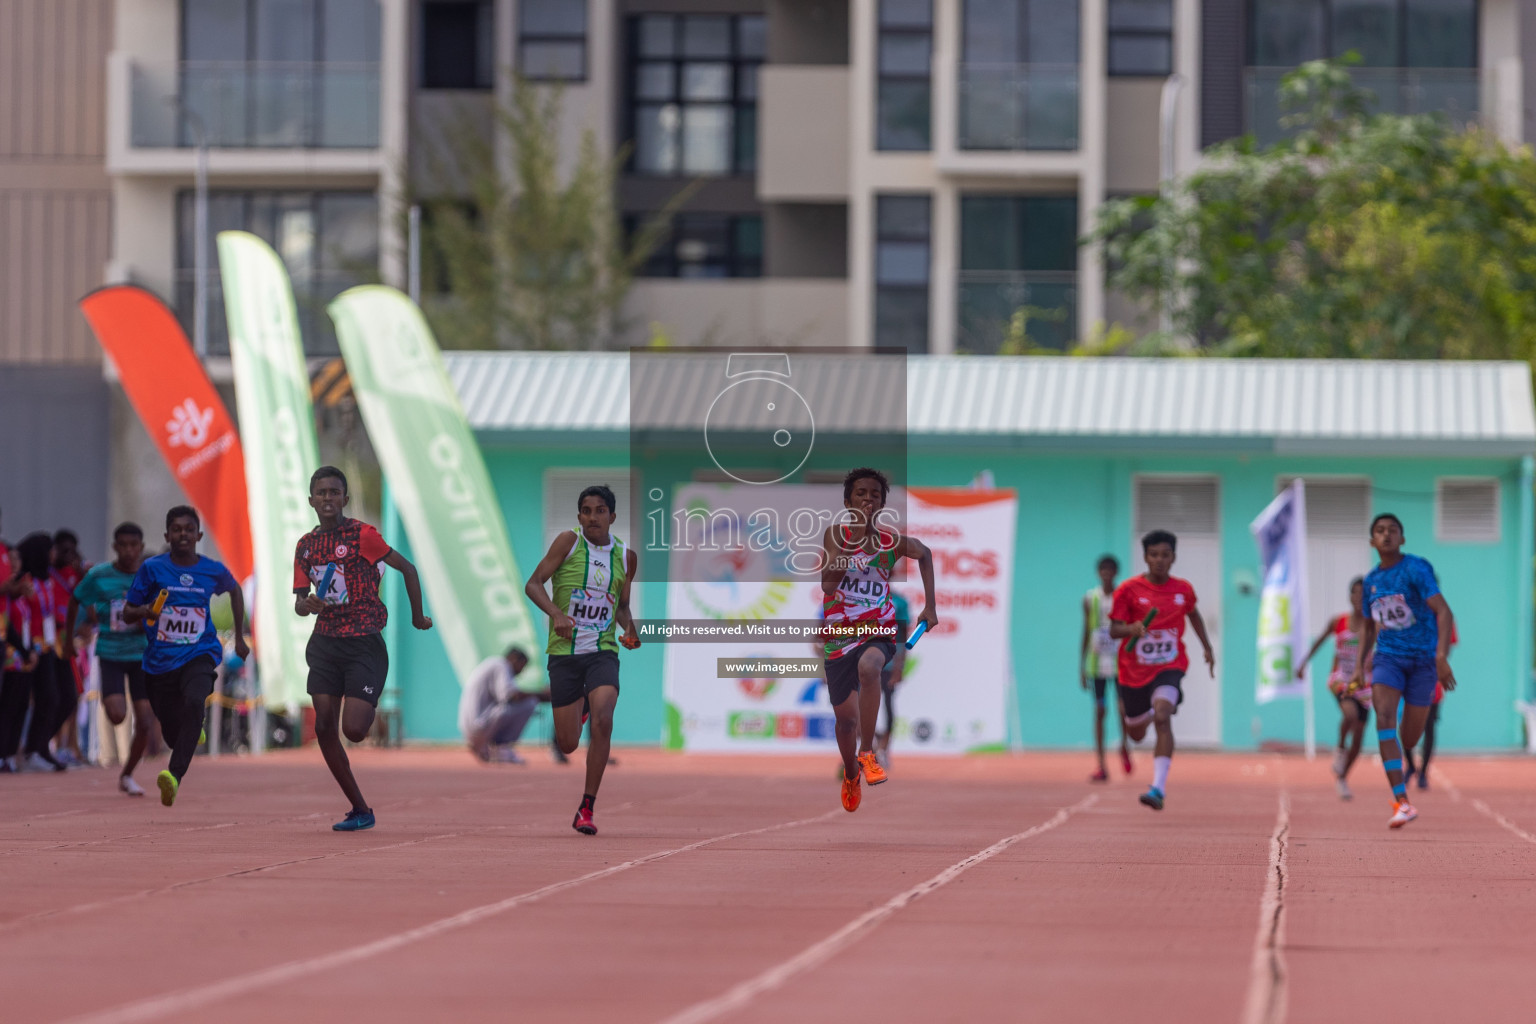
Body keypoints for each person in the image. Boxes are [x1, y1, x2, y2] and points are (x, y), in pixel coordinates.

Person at [293, 466, 433, 832]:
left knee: (353, 730)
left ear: (345, 498)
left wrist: (418, 616)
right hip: (325, 642)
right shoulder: (305, 546)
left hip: (363, 642)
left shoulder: (362, 535)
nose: (327, 498)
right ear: (311, 500)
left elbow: (409, 569)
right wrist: (306, 605)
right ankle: (359, 807)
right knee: (324, 725)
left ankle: (369, 706)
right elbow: (298, 602)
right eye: (321, 493)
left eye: (334, 492)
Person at [820, 468, 938, 814]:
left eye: (874, 494)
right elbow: (828, 585)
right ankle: (852, 772)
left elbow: (925, 553)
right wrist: (852, 539)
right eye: (860, 494)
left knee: (871, 667)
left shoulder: (891, 542)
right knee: (845, 722)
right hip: (840, 632)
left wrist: (930, 605)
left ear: (882, 503)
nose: (867, 499)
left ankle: (868, 752)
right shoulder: (835, 534)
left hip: (879, 626)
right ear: (848, 502)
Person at [525, 484, 640, 836]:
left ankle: (586, 807)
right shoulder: (568, 542)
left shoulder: (625, 557)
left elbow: (620, 606)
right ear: (579, 517)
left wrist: (631, 630)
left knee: (604, 718)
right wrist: (557, 614)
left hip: (602, 651)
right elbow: (533, 584)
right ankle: (582, 705)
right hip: (565, 655)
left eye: (600, 510)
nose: (593, 517)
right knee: (568, 743)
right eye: (587, 510)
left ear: (613, 517)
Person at [123, 507, 248, 805]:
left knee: (194, 701)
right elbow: (128, 611)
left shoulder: (211, 570)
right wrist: (144, 611)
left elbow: (235, 590)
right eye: (176, 529)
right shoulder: (152, 569)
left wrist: (240, 636)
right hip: (160, 662)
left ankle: (174, 776)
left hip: (199, 652)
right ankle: (191, 730)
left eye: (188, 529)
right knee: (171, 733)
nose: (182, 534)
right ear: (167, 535)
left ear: (198, 535)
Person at [1349, 513, 1456, 829]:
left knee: (1410, 739)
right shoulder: (1371, 582)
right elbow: (1368, 628)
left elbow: (1444, 611)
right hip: (1389, 659)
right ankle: (1402, 802)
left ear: (1402, 538)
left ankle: (1409, 768)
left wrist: (1440, 657)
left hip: (1422, 662)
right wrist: (1358, 667)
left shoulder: (1415, 568)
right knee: (1383, 717)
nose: (1386, 535)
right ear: (1372, 541)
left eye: (1392, 530)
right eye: (1379, 531)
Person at [1110, 529, 1216, 812]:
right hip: (1133, 672)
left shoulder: (1183, 590)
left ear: (1173, 558)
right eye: (1154, 555)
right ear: (1145, 557)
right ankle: (1138, 715)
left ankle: (1158, 788)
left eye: (1165, 555)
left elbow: (1193, 614)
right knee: (1135, 733)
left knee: (1163, 714)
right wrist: (1131, 628)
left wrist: (1207, 646)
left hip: (1170, 666)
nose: (1159, 560)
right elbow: (1113, 629)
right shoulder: (1128, 590)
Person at [65, 523, 153, 795]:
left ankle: (127, 774)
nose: (128, 551)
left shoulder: (151, 576)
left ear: (140, 547)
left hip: (141, 654)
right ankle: (112, 706)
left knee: (145, 723)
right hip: (111, 654)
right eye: (123, 545)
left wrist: (148, 619)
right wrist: (68, 639)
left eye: (133, 545)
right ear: (115, 547)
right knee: (117, 715)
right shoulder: (99, 575)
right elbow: (75, 599)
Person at [1297, 577, 1370, 800]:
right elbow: (1319, 642)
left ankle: (1342, 778)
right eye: (1355, 593)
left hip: (1365, 682)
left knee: (1358, 738)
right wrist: (1302, 664)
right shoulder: (1337, 622)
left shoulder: (1372, 624)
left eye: (1363, 594)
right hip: (1341, 678)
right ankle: (1339, 749)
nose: (1359, 598)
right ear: (1349, 596)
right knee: (1350, 713)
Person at [5, 533, 70, 771]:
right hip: (27, 646)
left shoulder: (48, 577)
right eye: (50, 550)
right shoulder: (22, 580)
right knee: (20, 702)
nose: (53, 555)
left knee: (54, 697)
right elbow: (15, 607)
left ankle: (36, 747)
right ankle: (19, 751)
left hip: (47, 645)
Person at [1081, 554, 1132, 783]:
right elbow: (1085, 631)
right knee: (1100, 711)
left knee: (1123, 709)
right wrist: (1081, 666)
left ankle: (1124, 745)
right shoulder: (1090, 599)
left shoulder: (1124, 596)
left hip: (1120, 662)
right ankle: (1101, 764)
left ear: (1115, 573)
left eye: (1110, 570)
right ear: (1098, 573)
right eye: (1103, 570)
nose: (1106, 574)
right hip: (1097, 663)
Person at [459, 647, 545, 763]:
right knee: (529, 703)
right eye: (522, 666)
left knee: (522, 702)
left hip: (472, 727)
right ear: (514, 659)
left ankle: (485, 748)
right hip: (478, 726)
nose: (521, 671)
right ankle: (500, 747)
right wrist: (541, 694)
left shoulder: (493, 664)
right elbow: (511, 696)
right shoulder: (501, 665)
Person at [1404, 623, 1456, 791]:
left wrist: (1440, 667)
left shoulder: (1444, 618)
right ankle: (1411, 765)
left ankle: (1423, 773)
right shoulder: (1410, 613)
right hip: (1410, 680)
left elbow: (1448, 647)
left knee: (1429, 727)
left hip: (1432, 681)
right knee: (1405, 726)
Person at [872, 589, 911, 768]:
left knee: (887, 705)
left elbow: (903, 635)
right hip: (866, 662)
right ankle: (872, 745)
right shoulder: (863, 598)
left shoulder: (900, 602)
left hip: (888, 664)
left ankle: (884, 749)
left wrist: (899, 666)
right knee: (862, 706)